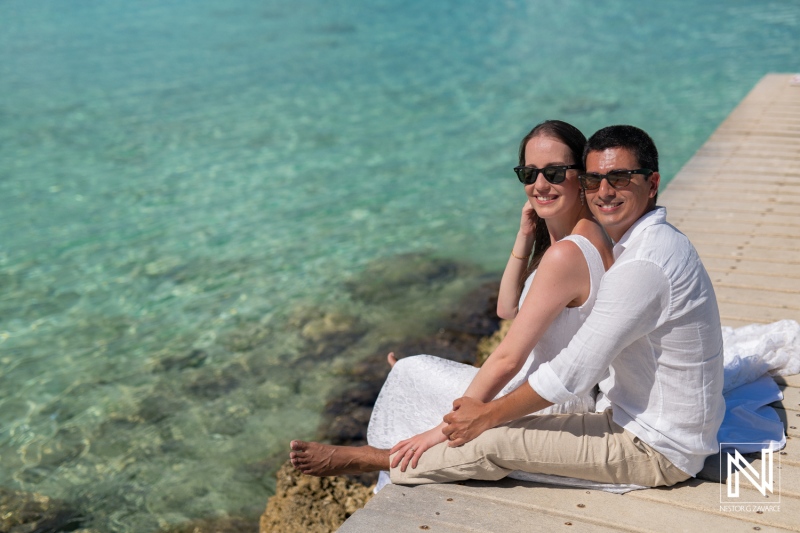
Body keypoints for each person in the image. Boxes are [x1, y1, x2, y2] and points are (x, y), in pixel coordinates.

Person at [289, 119, 614, 479]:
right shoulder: (588, 235)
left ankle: (377, 458)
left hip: (546, 403)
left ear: (582, 174)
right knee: (413, 371)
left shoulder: (565, 255)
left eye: (554, 172)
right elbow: (507, 309)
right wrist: (525, 235)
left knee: (413, 374)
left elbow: (507, 357)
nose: (539, 185)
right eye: (528, 173)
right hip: (548, 388)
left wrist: (438, 432)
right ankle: (389, 452)